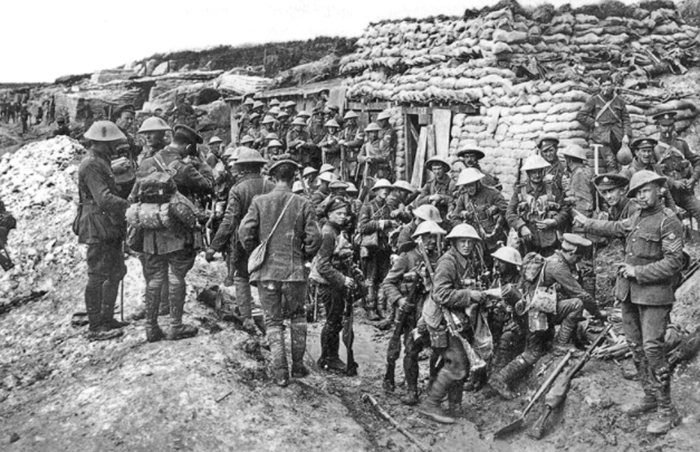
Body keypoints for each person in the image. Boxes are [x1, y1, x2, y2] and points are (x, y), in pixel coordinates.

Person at [573, 170, 685, 434]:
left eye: (646, 190)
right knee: (635, 346)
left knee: (653, 348)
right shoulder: (636, 216)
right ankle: (650, 396)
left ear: (659, 190)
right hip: (629, 294)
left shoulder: (668, 221)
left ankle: (667, 410)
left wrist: (639, 272)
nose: (642, 196)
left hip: (655, 296)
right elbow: (614, 228)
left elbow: (674, 262)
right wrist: (586, 222)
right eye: (638, 193)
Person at [239, 159, 322, 387]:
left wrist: (256, 251)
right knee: (298, 317)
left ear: (273, 178)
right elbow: (315, 238)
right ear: (294, 177)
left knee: (273, 320)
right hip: (294, 273)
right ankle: (297, 366)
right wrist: (304, 256)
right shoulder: (303, 203)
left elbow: (245, 232)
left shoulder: (259, 201)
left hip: (267, 272)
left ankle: (280, 373)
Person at [129, 125, 213, 341]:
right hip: (177, 230)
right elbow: (208, 186)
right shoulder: (184, 167)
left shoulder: (147, 162)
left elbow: (134, 195)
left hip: (151, 228)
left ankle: (151, 327)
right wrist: (202, 163)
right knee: (176, 275)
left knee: (155, 277)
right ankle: (175, 326)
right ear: (188, 146)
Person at [489, 234, 589, 399]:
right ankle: (500, 378)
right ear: (572, 253)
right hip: (536, 314)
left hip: (534, 313)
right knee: (533, 353)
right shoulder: (556, 267)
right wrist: (598, 313)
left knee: (536, 347)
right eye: (577, 257)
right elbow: (580, 295)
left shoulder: (542, 262)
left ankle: (558, 344)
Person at [417, 224, 491, 424]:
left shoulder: (468, 261)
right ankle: (430, 404)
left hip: (458, 317)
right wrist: (470, 295)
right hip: (441, 319)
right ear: (454, 243)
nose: (466, 246)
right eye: (462, 242)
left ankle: (455, 406)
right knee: (457, 361)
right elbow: (440, 294)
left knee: (462, 361)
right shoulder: (448, 263)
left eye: (470, 242)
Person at [206, 148, 273, 333]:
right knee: (265, 280)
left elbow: (230, 220)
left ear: (242, 168)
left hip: (243, 241)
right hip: (267, 241)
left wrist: (214, 246)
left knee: (241, 278)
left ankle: (247, 318)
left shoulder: (238, 188)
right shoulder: (271, 186)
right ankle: (270, 319)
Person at [76, 121, 131, 341]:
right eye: (111, 143)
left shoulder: (101, 161)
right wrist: (129, 206)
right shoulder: (91, 164)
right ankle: (96, 325)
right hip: (97, 224)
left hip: (108, 225)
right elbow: (104, 198)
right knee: (97, 274)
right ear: (100, 143)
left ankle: (107, 317)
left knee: (116, 270)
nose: (115, 146)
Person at [382, 220, 445, 404]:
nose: (432, 241)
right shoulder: (407, 257)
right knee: (411, 350)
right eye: (428, 237)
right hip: (411, 312)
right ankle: (412, 390)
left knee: (438, 348)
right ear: (418, 238)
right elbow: (388, 282)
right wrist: (400, 300)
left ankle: (434, 385)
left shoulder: (440, 259)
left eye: (435, 237)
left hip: (433, 312)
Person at [311, 198, 356, 373]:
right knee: (332, 321)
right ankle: (328, 358)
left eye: (345, 214)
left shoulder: (336, 231)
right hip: (328, 283)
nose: (343, 217)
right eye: (339, 213)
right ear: (330, 214)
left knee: (336, 320)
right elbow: (323, 265)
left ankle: (330, 357)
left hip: (332, 282)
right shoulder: (328, 233)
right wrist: (342, 279)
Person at [506, 154, 568, 256]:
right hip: (528, 241)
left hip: (549, 241)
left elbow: (564, 209)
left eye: (540, 171)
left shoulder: (551, 189)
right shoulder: (521, 190)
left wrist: (554, 221)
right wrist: (521, 227)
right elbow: (509, 212)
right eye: (533, 172)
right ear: (528, 173)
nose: (537, 175)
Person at [358, 179, 399, 321]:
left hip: (385, 247)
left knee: (384, 278)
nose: (385, 191)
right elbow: (362, 227)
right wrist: (383, 223)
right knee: (370, 278)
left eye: (387, 189)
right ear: (375, 191)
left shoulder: (389, 208)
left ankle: (381, 308)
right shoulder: (368, 207)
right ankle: (370, 308)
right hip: (371, 247)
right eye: (381, 189)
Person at [448, 167, 508, 261]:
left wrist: (496, 210)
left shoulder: (492, 193)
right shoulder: (463, 197)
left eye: (471, 185)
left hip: (493, 240)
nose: (469, 189)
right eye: (466, 186)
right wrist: (465, 229)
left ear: (477, 182)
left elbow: (507, 211)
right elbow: (455, 217)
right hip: (474, 241)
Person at [576, 75, 632, 173]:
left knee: (624, 161)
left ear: (613, 85)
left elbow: (626, 118)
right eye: (604, 85)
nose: (606, 88)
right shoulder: (594, 100)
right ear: (601, 87)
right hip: (602, 135)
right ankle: (613, 183)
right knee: (611, 162)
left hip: (617, 135)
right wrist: (594, 124)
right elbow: (581, 115)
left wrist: (626, 134)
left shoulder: (619, 101)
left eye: (609, 85)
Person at [652, 110, 700, 224]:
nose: (667, 129)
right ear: (658, 127)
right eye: (663, 126)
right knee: (670, 222)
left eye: (669, 125)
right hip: (666, 194)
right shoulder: (653, 148)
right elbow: (652, 173)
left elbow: (697, 161)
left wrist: (693, 179)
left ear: (674, 126)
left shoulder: (681, 144)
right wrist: (673, 182)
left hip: (684, 192)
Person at [415, 157, 455, 221]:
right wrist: (431, 197)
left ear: (444, 169)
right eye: (434, 169)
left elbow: (454, 200)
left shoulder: (451, 183)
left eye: (439, 169)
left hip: (445, 215)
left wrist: (441, 198)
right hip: (430, 215)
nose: (437, 172)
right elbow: (419, 201)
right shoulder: (429, 184)